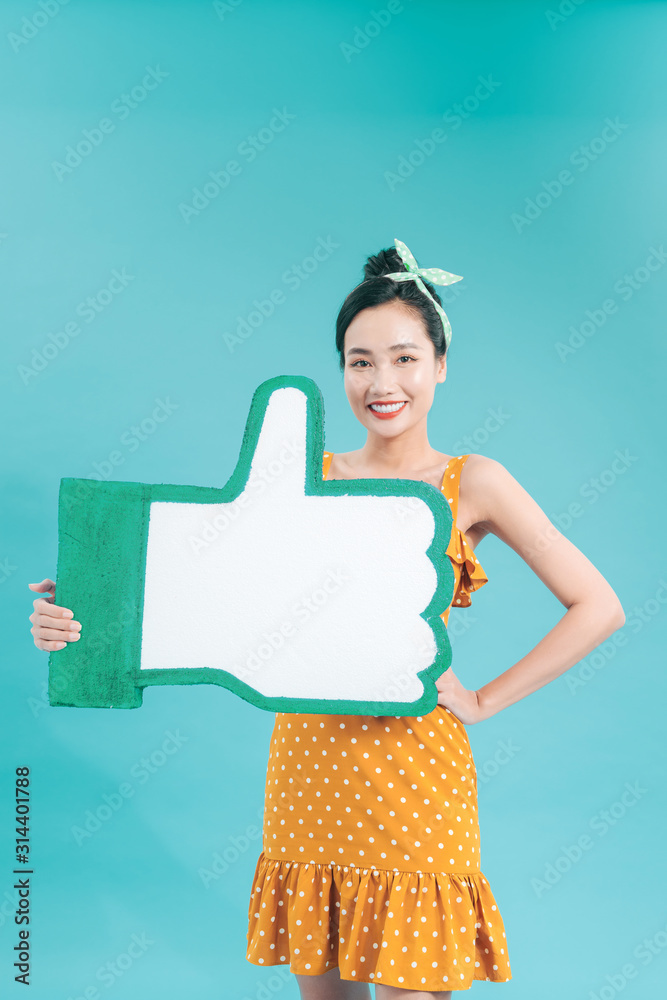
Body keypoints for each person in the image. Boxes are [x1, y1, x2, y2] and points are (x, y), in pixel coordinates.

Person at [28, 240, 625, 999]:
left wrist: (482, 701)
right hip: (309, 769)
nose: (382, 382)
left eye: (404, 358)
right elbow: (208, 591)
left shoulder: (473, 481)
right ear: (340, 369)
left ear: (441, 364)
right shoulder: (304, 477)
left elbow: (598, 605)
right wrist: (90, 603)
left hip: (414, 775)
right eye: (359, 360)